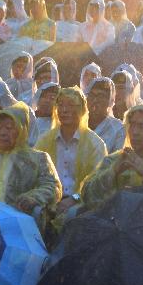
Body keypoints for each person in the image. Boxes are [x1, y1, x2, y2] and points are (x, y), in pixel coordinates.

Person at [35, 87, 107, 216]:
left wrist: (75, 198)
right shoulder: (44, 140)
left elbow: (97, 184)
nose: (64, 110)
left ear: (82, 110)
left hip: (81, 202)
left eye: (71, 105)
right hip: (48, 199)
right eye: (60, 105)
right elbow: (36, 175)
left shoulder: (95, 144)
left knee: (72, 214)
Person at [86, 77, 125, 152]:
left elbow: (116, 159)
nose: (95, 100)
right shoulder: (78, 122)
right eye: (92, 95)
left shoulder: (118, 129)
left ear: (110, 101)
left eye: (101, 96)